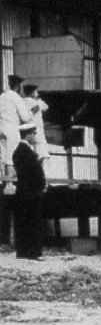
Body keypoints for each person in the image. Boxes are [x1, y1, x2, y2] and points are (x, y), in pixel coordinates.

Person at [12, 122, 46, 260]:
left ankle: (22, 251)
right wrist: (42, 185)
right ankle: (33, 252)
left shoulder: (17, 152)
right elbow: (35, 173)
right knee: (33, 223)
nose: (34, 136)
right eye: (33, 134)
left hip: (22, 191)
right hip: (32, 192)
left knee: (22, 223)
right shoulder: (28, 152)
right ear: (28, 135)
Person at [0, 74, 33, 177]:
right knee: (11, 156)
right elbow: (25, 118)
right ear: (18, 86)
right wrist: (31, 113)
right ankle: (10, 182)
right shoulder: (16, 98)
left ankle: (4, 181)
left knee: (3, 155)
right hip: (12, 129)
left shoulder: (1, 96)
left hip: (1, 128)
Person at [21, 84, 50, 161]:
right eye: (36, 91)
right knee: (41, 154)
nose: (37, 93)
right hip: (37, 132)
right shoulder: (37, 102)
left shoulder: (21, 102)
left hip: (26, 132)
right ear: (32, 93)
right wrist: (38, 100)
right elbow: (46, 107)